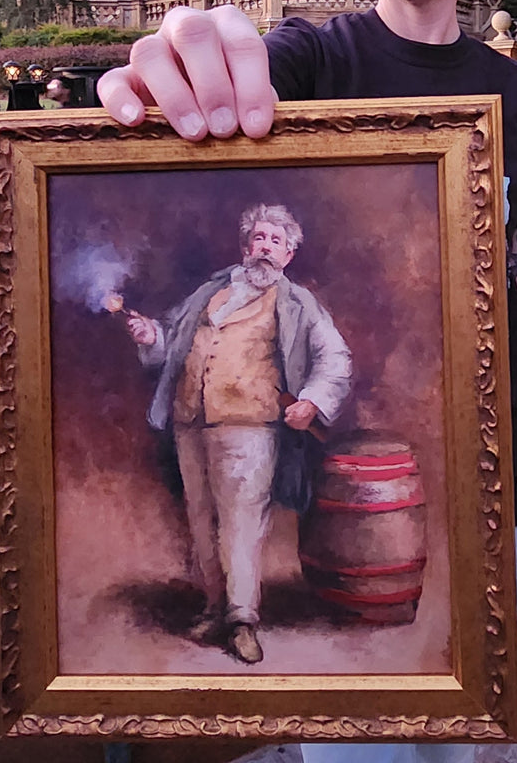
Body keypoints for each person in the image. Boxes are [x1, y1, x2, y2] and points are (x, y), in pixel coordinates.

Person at [98, 0, 517, 761]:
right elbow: (233, 62)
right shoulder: (318, 61)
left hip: (496, 482)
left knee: (455, 746)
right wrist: (180, 60)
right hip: (358, 480)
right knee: (348, 747)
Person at [123, 203, 351, 665]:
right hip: (191, 422)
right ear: (246, 246)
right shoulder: (210, 292)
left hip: (250, 428)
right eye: (258, 238)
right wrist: (151, 338)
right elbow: (173, 342)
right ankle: (214, 609)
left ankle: (242, 620)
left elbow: (335, 358)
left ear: (288, 254)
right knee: (202, 520)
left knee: (242, 524)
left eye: (275, 241)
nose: (265, 247)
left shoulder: (296, 303)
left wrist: (312, 400)